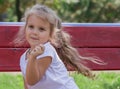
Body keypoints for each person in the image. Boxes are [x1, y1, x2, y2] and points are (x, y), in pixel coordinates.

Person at [13, 4, 103, 89]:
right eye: (31, 27)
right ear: (25, 28)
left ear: (51, 34)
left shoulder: (47, 51)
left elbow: (33, 80)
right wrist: (32, 57)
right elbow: (28, 85)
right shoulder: (23, 59)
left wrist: (32, 57)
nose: (35, 32)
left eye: (41, 29)